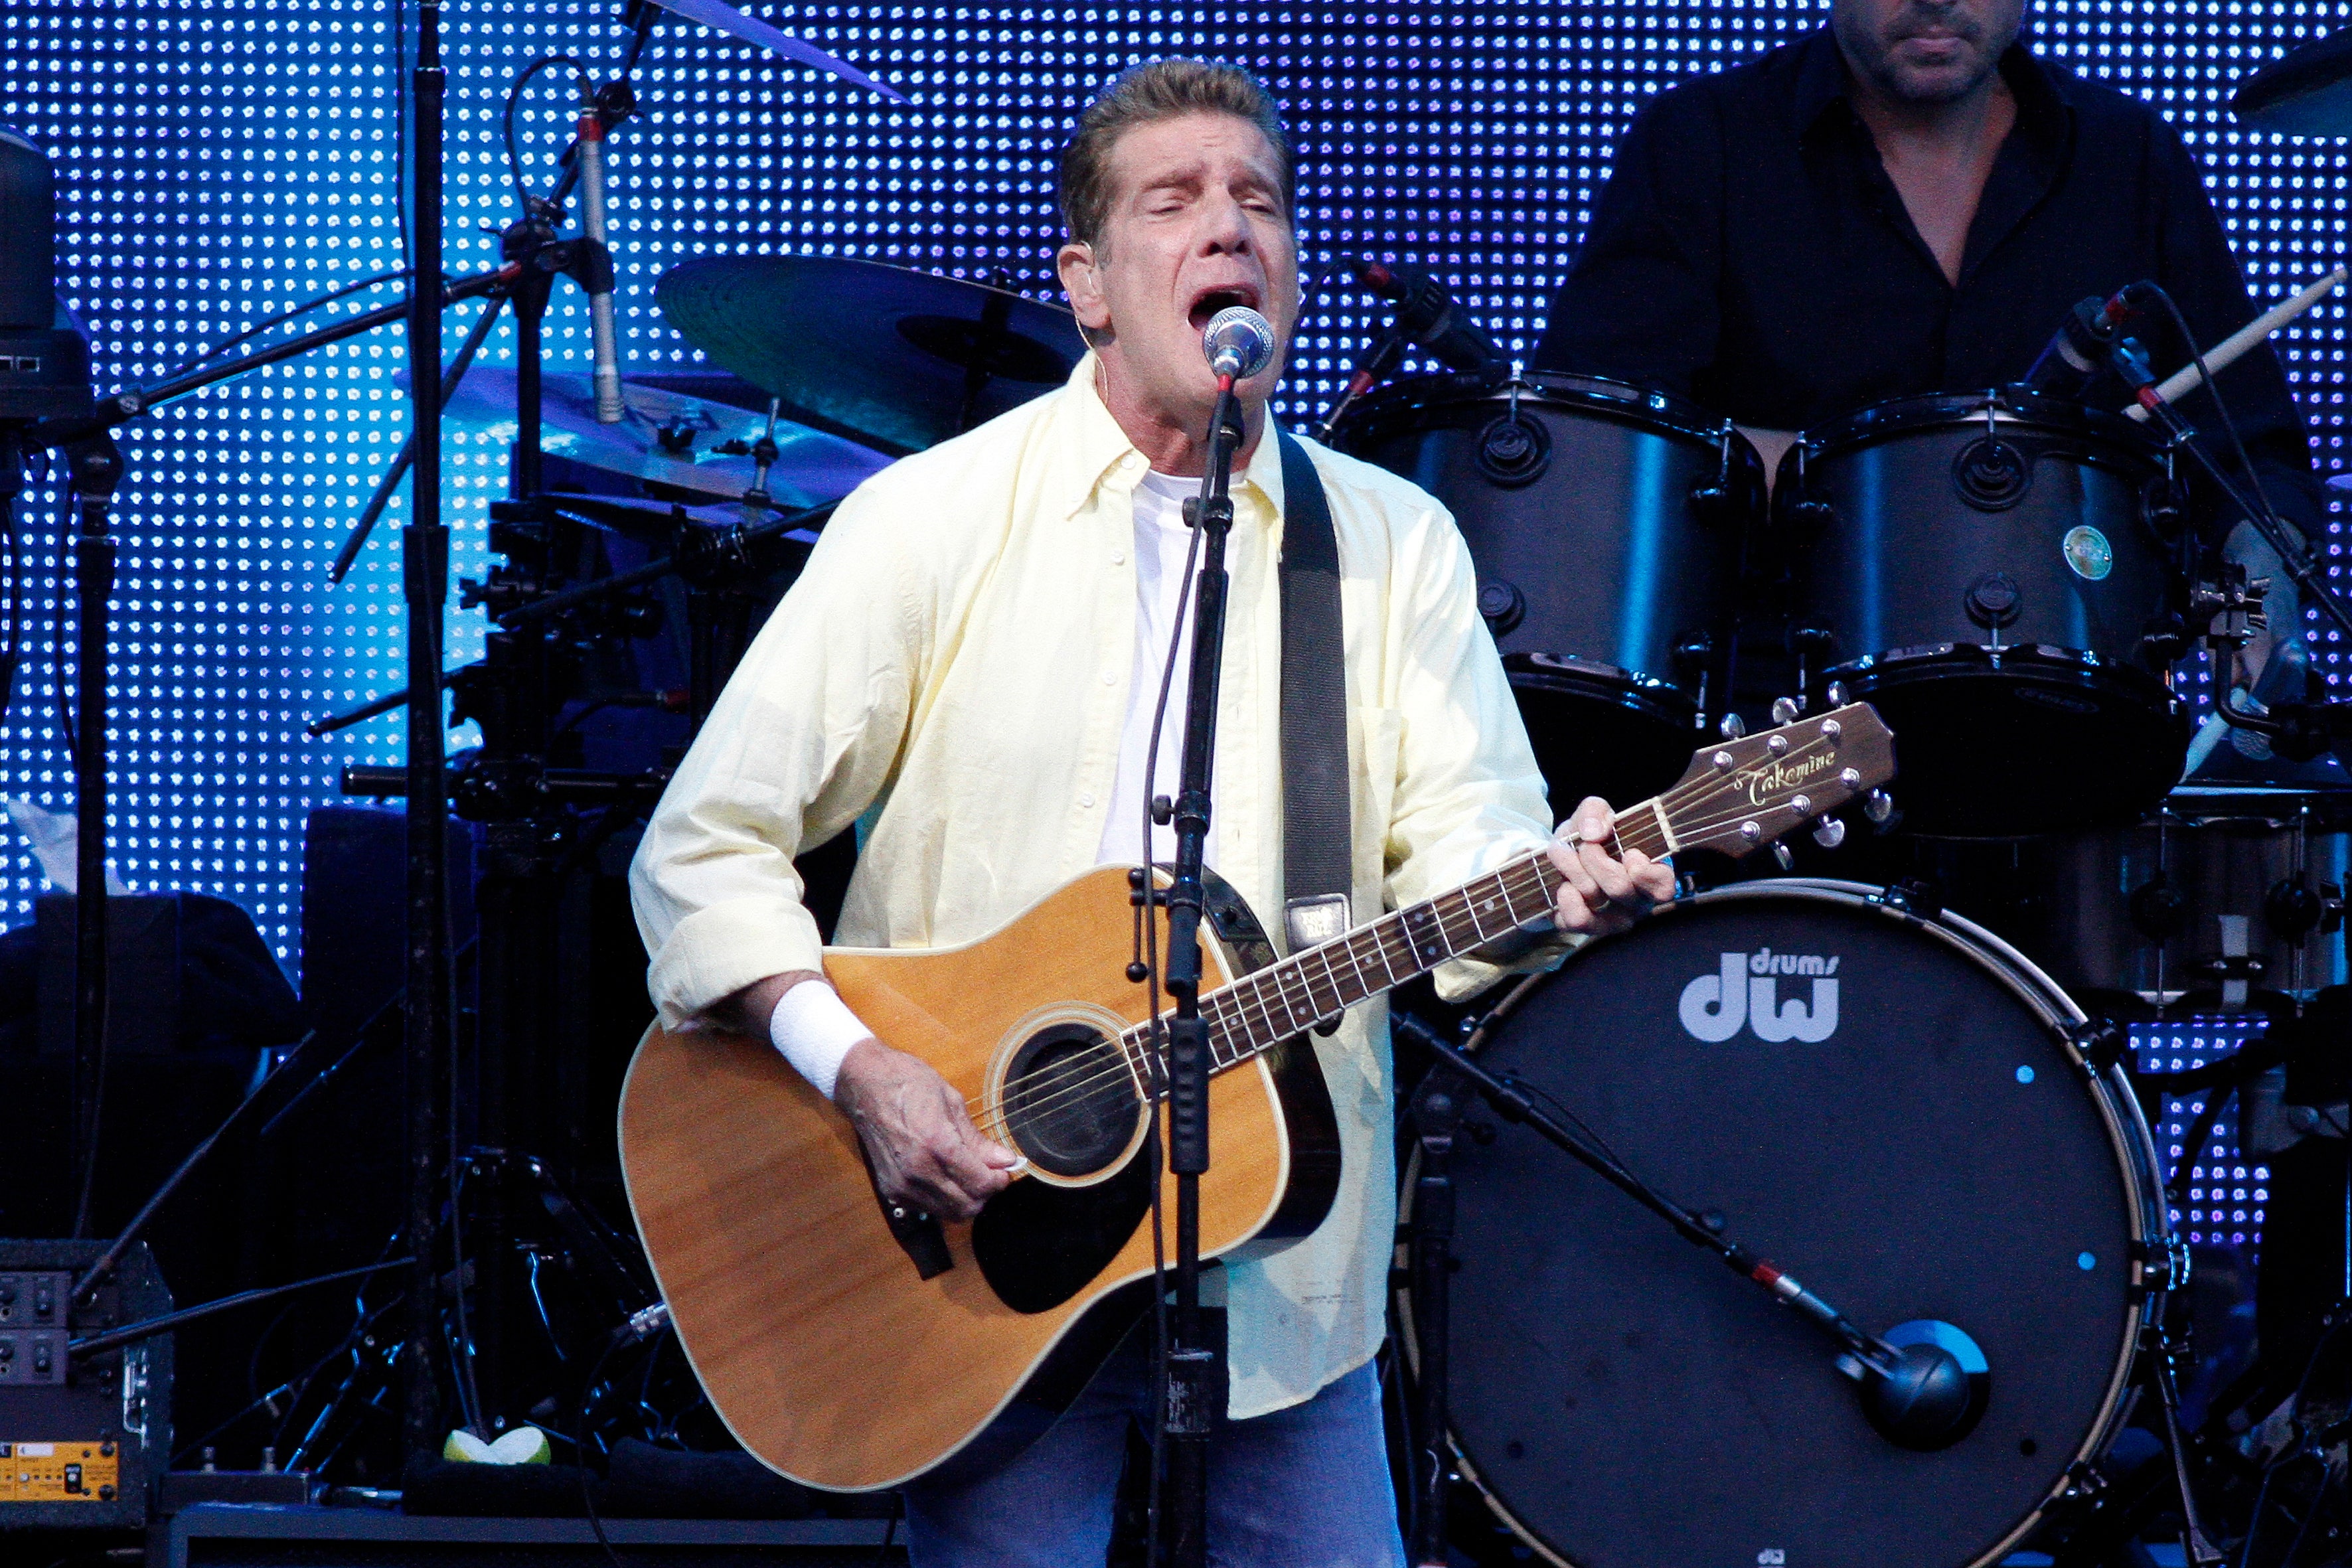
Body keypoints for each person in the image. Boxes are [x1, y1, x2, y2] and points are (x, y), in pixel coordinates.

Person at [629, 58, 1676, 1566]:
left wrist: (1547, 894)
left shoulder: (1388, 546)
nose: (1227, 229)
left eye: (1258, 201)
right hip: (973, 1240)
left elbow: (1460, 870)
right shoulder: (926, 521)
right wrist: (861, 1073)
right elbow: (701, 847)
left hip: (1282, 1265)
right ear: (1092, 284)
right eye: (1173, 201)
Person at [1535, 0, 2326, 752]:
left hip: (2071, 726)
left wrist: (2255, 604)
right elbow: (1597, 450)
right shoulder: (1703, 141)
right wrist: (1878, 488)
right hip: (1767, 735)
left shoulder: (2128, 156)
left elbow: (2249, 460)